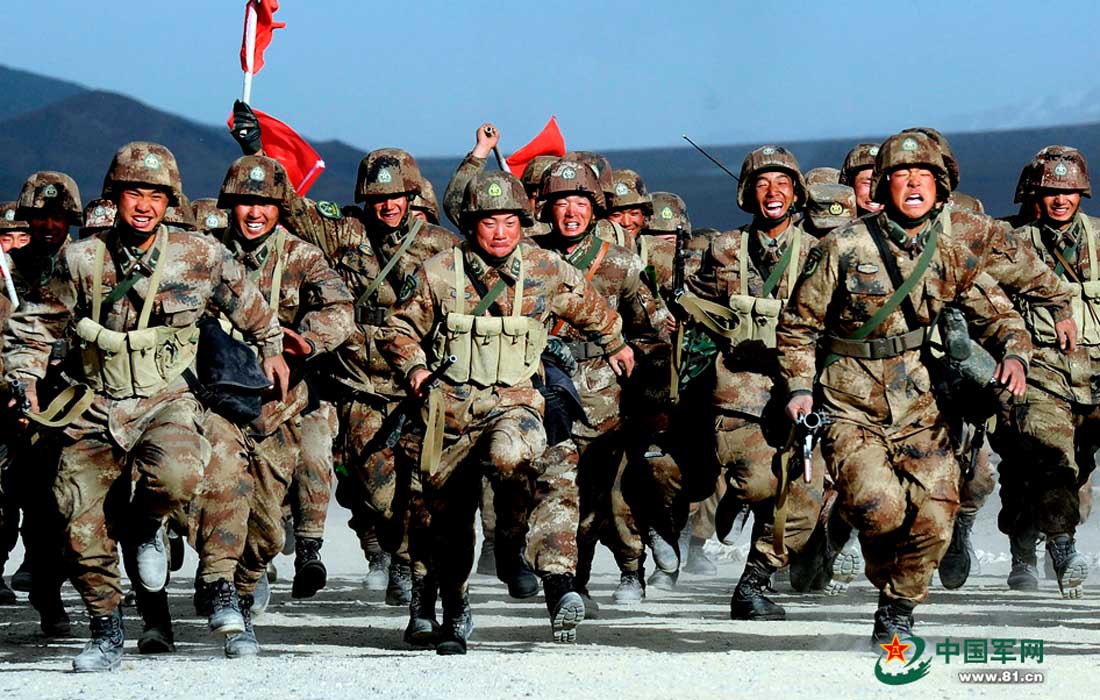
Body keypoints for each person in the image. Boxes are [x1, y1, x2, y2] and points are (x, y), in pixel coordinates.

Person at [3, 142, 288, 672]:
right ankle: (106, 629)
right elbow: (35, 325)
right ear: (115, 197)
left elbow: (250, 307)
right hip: (94, 403)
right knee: (79, 520)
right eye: (134, 193)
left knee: (181, 471)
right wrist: (24, 381)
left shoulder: (199, 255)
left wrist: (272, 349)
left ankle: (147, 523)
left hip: (166, 398)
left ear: (169, 201)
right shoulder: (80, 259)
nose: (144, 205)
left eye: (156, 196)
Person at [777, 130, 1054, 645]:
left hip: (920, 404)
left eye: (924, 176)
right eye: (902, 175)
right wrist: (799, 387)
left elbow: (1002, 318)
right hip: (850, 401)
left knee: (937, 515)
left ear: (940, 187)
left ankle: (898, 607)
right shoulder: (842, 247)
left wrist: (1016, 355)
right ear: (883, 185)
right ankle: (854, 551)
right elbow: (798, 325)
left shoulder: (950, 254)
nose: (913, 185)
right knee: (880, 507)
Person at [379, 170, 632, 653]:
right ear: (471, 224)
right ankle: (454, 609)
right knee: (444, 519)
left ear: (522, 223)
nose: (500, 233)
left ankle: (533, 560)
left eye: (510, 222)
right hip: (451, 412)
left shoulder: (546, 269)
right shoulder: (439, 273)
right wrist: (415, 368)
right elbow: (398, 329)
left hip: (517, 402)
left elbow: (592, 309)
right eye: (489, 222)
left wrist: (616, 344)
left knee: (514, 456)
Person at [684, 145, 825, 620]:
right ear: (748, 193)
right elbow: (698, 309)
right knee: (762, 484)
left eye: (782, 183)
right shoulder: (724, 249)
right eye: (763, 184)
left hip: (805, 389)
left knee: (804, 496)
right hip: (740, 390)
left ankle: (754, 582)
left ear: (797, 193)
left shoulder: (818, 252)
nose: (773, 192)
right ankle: (738, 497)